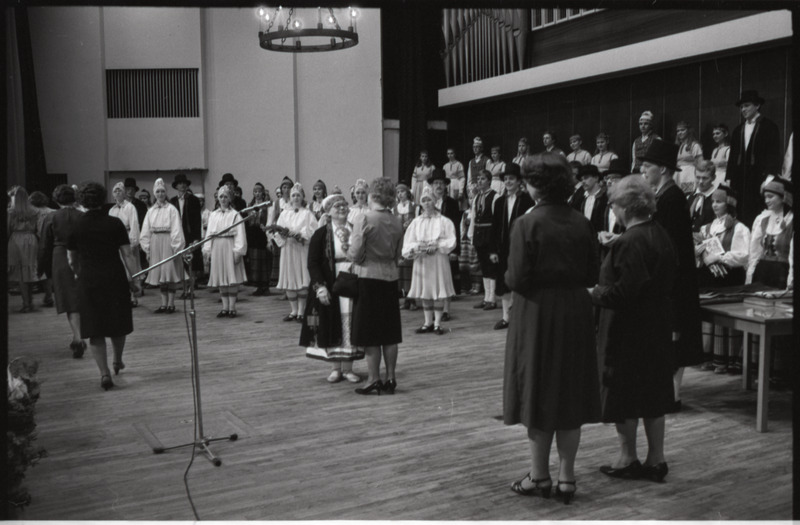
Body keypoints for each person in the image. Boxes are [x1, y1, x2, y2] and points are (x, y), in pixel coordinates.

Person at [505, 153, 601, 504]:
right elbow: (593, 274)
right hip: (575, 311)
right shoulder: (582, 222)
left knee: (538, 393)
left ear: (534, 186)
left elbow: (516, 278)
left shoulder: (526, 224)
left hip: (537, 313)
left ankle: (539, 475)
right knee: (570, 394)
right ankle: (568, 479)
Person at [591, 175, 677, 484]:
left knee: (623, 395)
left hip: (627, 332)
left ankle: (627, 457)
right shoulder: (660, 233)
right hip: (656, 327)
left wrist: (592, 293)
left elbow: (623, 293)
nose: (612, 208)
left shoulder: (629, 241)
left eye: (613, 203)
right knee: (654, 393)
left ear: (626, 207)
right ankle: (657, 459)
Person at [639, 138, 704, 412]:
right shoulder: (664, 197)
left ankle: (672, 396)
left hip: (675, 285)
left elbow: (671, 250)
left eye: (647, 166)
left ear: (663, 170)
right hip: (669, 282)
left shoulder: (672, 199)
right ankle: (667, 393)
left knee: (674, 341)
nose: (643, 171)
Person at [67, 182, 141, 390]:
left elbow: (72, 259)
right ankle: (117, 359)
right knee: (118, 324)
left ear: (82, 200)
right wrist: (135, 279)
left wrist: (78, 274)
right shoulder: (114, 223)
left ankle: (104, 373)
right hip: (114, 278)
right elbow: (127, 254)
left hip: (88, 280)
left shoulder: (76, 226)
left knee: (95, 329)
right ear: (102, 199)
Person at [348, 177, 404, 396]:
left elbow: (355, 252)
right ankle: (391, 378)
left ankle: (373, 379)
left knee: (371, 333)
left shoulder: (364, 217)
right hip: (390, 278)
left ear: (373, 195)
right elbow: (398, 254)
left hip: (369, 277)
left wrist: (357, 257)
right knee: (389, 332)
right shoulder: (397, 221)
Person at [301, 193, 365, 383]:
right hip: (331, 280)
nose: (342, 208)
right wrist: (320, 287)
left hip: (353, 279)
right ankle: (336, 368)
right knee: (333, 321)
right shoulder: (320, 234)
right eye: (337, 206)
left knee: (351, 321)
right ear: (328, 212)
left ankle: (348, 368)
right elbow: (313, 263)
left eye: (344, 205)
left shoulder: (356, 230)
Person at [695, 185, 750, 374]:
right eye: (713, 201)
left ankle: (729, 359)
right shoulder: (708, 227)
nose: (715, 205)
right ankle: (711, 357)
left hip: (730, 278)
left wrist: (720, 257)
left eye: (719, 201)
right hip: (710, 277)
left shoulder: (739, 228)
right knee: (711, 316)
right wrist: (701, 254)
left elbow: (743, 255)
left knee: (727, 316)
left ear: (729, 204)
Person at [39, 184, 86, 357]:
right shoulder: (82, 216)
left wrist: (41, 268)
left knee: (68, 300)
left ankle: (78, 337)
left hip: (60, 257)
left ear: (57, 199)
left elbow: (44, 245)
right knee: (81, 297)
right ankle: (80, 336)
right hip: (81, 256)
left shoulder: (52, 217)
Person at [403, 186, 457, 335]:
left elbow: (452, 240)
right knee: (426, 291)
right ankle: (427, 322)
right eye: (424, 200)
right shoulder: (416, 222)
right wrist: (418, 246)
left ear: (434, 202)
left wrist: (437, 245)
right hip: (423, 261)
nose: (427, 203)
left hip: (438, 260)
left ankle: (438, 323)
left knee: (438, 290)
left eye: (429, 200)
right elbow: (408, 242)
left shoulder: (444, 221)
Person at [727, 90, 783, 226]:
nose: (743, 109)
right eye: (741, 107)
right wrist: (729, 178)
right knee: (740, 215)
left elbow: (774, 153)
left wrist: (769, 178)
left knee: (758, 216)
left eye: (747, 105)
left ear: (757, 106)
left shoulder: (769, 127)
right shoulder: (738, 130)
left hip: (759, 180)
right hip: (740, 181)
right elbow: (732, 157)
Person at [489, 163, 535, 330]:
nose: (508, 182)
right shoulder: (500, 202)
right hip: (502, 248)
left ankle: (520, 316)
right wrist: (493, 250)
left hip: (521, 247)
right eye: (506, 179)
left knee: (520, 280)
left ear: (518, 181)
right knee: (504, 282)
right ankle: (506, 317)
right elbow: (494, 227)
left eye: (512, 179)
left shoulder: (527, 200)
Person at [139, 178, 186, 313]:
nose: (160, 194)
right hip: (155, 243)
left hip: (167, 242)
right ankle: (163, 303)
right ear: (154, 193)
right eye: (158, 192)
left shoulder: (171, 209)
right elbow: (146, 229)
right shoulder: (151, 211)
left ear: (166, 193)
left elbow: (177, 227)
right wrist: (147, 247)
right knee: (160, 275)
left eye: (162, 191)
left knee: (169, 274)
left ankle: (171, 303)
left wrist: (176, 246)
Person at [273, 183, 318, 322]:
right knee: (290, 278)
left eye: (298, 195)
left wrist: (300, 234)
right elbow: (276, 230)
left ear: (303, 196)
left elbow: (314, 231)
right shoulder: (284, 214)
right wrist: (283, 235)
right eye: (293, 195)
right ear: (290, 198)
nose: (296, 197)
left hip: (301, 249)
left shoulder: (307, 214)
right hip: (288, 249)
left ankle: (301, 311)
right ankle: (293, 310)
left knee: (302, 277)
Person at [203, 185, 248, 318]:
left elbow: (240, 234)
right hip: (217, 247)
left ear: (230, 199)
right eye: (221, 196)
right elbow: (209, 233)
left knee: (231, 277)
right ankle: (224, 307)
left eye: (225, 197)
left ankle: (232, 307)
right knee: (222, 277)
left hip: (230, 246)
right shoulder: (213, 215)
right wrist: (208, 250)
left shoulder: (235, 215)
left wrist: (238, 251)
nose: (223, 199)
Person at [746, 177, 793, 289]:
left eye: (770, 197)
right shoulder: (763, 220)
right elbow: (755, 253)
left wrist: (791, 282)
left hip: (782, 276)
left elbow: (793, 258)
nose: (766, 200)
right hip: (762, 275)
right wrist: (749, 277)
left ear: (783, 197)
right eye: (765, 197)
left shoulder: (792, 220)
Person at [430, 168, 462, 311]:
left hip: (446, 245)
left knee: (446, 278)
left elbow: (456, 227)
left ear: (445, 185)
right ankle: (434, 307)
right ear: (432, 185)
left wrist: (455, 250)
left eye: (441, 183)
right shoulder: (426, 203)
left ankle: (446, 309)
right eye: (436, 183)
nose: (438, 186)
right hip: (431, 247)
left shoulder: (452, 203)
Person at [469, 169, 500, 311]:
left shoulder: (495, 196)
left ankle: (492, 299)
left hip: (489, 234)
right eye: (478, 179)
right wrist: (471, 236)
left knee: (491, 267)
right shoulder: (476, 198)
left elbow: (497, 219)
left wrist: (495, 239)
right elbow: (474, 218)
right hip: (479, 234)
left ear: (489, 180)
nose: (479, 181)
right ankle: (486, 298)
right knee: (483, 266)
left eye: (482, 179)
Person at [108, 182, 142, 307]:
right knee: (120, 269)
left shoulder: (130, 207)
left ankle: (133, 296)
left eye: (120, 190)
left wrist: (133, 242)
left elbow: (134, 224)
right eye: (115, 190)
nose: (117, 192)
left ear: (124, 193)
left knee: (130, 269)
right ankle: (122, 295)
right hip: (115, 243)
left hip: (127, 239)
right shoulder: (111, 210)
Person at [7, 186, 39, 313]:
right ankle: (29, 302)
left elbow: (8, 228)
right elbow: (37, 227)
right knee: (29, 270)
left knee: (21, 273)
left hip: (16, 239)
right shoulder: (34, 211)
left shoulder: (10, 211)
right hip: (31, 239)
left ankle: (26, 304)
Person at [170, 173, 204, 288]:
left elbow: (197, 221)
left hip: (190, 233)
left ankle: (191, 287)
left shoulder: (193, 200)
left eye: (184, 183)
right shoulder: (172, 201)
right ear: (176, 186)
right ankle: (184, 286)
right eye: (180, 183)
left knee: (191, 260)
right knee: (180, 260)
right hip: (178, 233)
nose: (182, 185)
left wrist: (196, 238)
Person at [245, 182, 273, 296]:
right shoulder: (250, 205)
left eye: (259, 191)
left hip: (262, 235)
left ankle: (265, 286)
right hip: (253, 236)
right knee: (255, 262)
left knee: (264, 262)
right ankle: (257, 285)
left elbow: (269, 219)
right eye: (255, 192)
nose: (257, 194)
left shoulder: (267, 205)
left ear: (263, 192)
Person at [29, 191, 56, 307]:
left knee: (38, 270)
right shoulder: (53, 211)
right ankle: (49, 296)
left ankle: (35, 298)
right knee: (49, 270)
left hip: (38, 242)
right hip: (53, 243)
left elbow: (32, 228)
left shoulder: (32, 212)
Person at [393, 183, 417, 310]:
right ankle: (406, 297)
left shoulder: (414, 206)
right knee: (401, 269)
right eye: (398, 192)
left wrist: (410, 224)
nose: (400, 194)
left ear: (407, 192)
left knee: (411, 269)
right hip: (400, 240)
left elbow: (418, 221)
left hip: (410, 239)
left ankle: (412, 299)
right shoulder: (395, 208)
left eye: (402, 191)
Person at [597, 159, 628, 257]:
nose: (609, 182)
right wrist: (601, 235)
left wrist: (620, 238)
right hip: (607, 254)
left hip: (625, 253)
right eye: (607, 178)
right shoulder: (604, 202)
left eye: (614, 178)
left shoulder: (631, 203)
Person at [687, 160, 718, 233]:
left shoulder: (718, 198)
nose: (700, 181)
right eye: (698, 177)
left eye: (705, 178)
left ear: (713, 178)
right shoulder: (689, 196)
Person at [674, 121, 704, 194]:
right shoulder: (679, 145)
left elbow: (700, 163)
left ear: (688, 131)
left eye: (682, 130)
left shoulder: (694, 145)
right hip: (678, 174)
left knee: (688, 195)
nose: (680, 133)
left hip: (689, 174)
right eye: (678, 131)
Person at [578, 164, 608, 234]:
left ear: (596, 178)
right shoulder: (581, 199)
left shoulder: (605, 198)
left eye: (586, 178)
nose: (583, 182)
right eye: (581, 179)